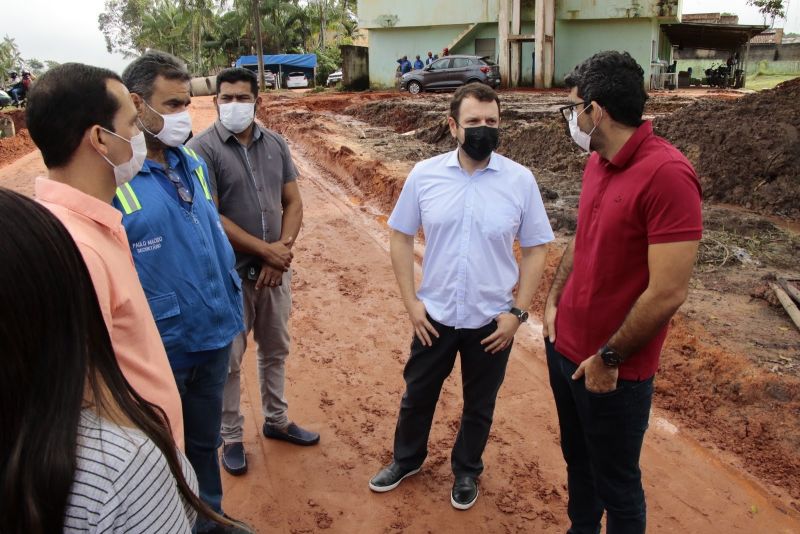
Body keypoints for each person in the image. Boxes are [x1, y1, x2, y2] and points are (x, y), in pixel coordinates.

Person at [0, 188, 232, 533]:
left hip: (208, 340)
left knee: (205, 444)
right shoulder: (120, 468)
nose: (134, 132)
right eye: (129, 128)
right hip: (158, 407)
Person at [368, 84, 554, 510]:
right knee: (417, 394)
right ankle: (407, 459)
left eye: (491, 122)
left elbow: (537, 248)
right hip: (434, 315)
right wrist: (411, 303)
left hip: (492, 321)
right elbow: (399, 236)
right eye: (473, 122)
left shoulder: (520, 181)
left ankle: (467, 469)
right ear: (453, 126)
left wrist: (518, 312)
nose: (482, 130)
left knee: (480, 404)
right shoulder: (425, 175)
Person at [546, 51, 702, 534]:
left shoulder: (669, 176)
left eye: (573, 108)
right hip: (566, 351)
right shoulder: (599, 159)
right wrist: (552, 302)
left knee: (618, 483)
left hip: (614, 373)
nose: (571, 118)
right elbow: (582, 237)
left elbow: (669, 292)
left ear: (597, 111)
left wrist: (609, 358)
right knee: (579, 461)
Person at [116, 50, 246, 534]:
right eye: (171, 105)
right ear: (137, 104)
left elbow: (207, 232)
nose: (183, 115)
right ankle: (173, 522)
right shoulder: (116, 176)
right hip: (160, 346)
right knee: (161, 448)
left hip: (214, 330)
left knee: (204, 440)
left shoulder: (190, 161)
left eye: (186, 102)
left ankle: (208, 515)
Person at [27, 63, 185, 449]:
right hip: (140, 474)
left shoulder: (94, 224)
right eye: (132, 125)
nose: (138, 137)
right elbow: (84, 399)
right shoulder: (76, 249)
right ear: (100, 138)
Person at [188, 67, 317, 477]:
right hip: (229, 275)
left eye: (243, 98)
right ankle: (230, 436)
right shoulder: (201, 150)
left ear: (257, 101)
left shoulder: (276, 145)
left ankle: (276, 420)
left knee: (276, 348)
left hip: (274, 273)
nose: (234, 105)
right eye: (227, 98)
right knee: (230, 359)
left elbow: (293, 203)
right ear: (215, 102)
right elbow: (212, 216)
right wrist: (267, 253)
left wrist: (280, 254)